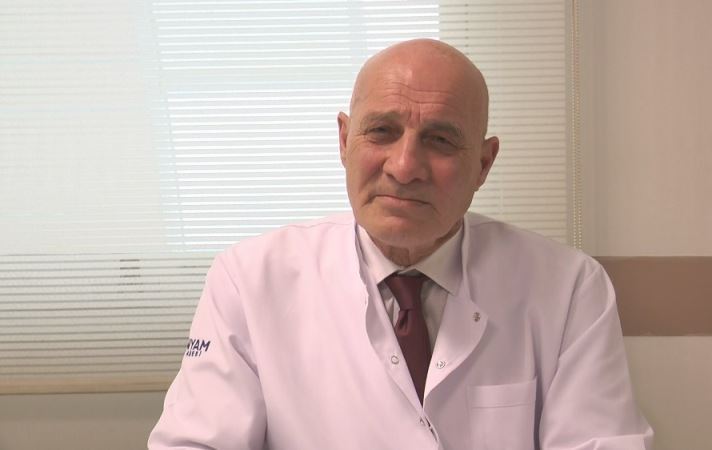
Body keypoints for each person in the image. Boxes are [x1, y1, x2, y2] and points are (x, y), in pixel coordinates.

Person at [149, 39, 653, 450]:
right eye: (382, 131)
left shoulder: (569, 288)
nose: (405, 166)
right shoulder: (248, 280)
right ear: (344, 141)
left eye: (440, 140)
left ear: (483, 164)